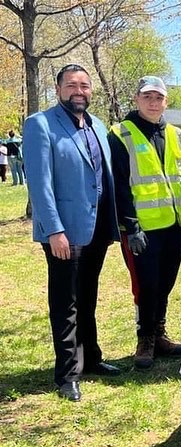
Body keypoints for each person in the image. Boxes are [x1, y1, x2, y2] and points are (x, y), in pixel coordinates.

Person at [24, 64, 121, 401]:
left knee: (89, 297)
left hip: (96, 230)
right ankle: (67, 375)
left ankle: (90, 358)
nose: (79, 91)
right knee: (66, 302)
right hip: (64, 233)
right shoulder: (40, 124)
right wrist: (54, 230)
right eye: (72, 85)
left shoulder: (97, 125)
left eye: (84, 85)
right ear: (58, 88)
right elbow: (40, 183)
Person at [109, 76, 181, 368]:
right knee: (147, 285)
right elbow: (119, 183)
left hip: (174, 225)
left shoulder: (176, 134)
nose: (153, 103)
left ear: (166, 101)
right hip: (142, 228)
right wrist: (130, 226)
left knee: (165, 283)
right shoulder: (122, 133)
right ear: (137, 100)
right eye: (147, 97)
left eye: (158, 98)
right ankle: (145, 339)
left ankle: (160, 333)